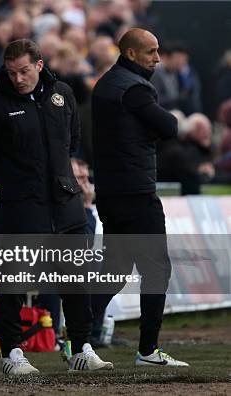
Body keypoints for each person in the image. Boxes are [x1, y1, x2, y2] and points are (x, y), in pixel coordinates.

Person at [0, 39, 112, 374]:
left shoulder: (62, 95)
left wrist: (60, 174)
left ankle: (81, 348)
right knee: (14, 282)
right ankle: (12, 354)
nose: (18, 78)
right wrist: (13, 181)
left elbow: (72, 140)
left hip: (65, 200)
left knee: (76, 280)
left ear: (39, 65)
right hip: (22, 205)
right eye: (11, 72)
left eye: (24, 71)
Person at [91, 28, 189, 367]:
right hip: (135, 191)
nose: (158, 58)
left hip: (109, 190)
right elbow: (170, 128)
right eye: (151, 52)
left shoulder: (105, 84)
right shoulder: (133, 88)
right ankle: (148, 350)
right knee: (156, 269)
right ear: (131, 54)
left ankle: (78, 339)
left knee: (115, 270)